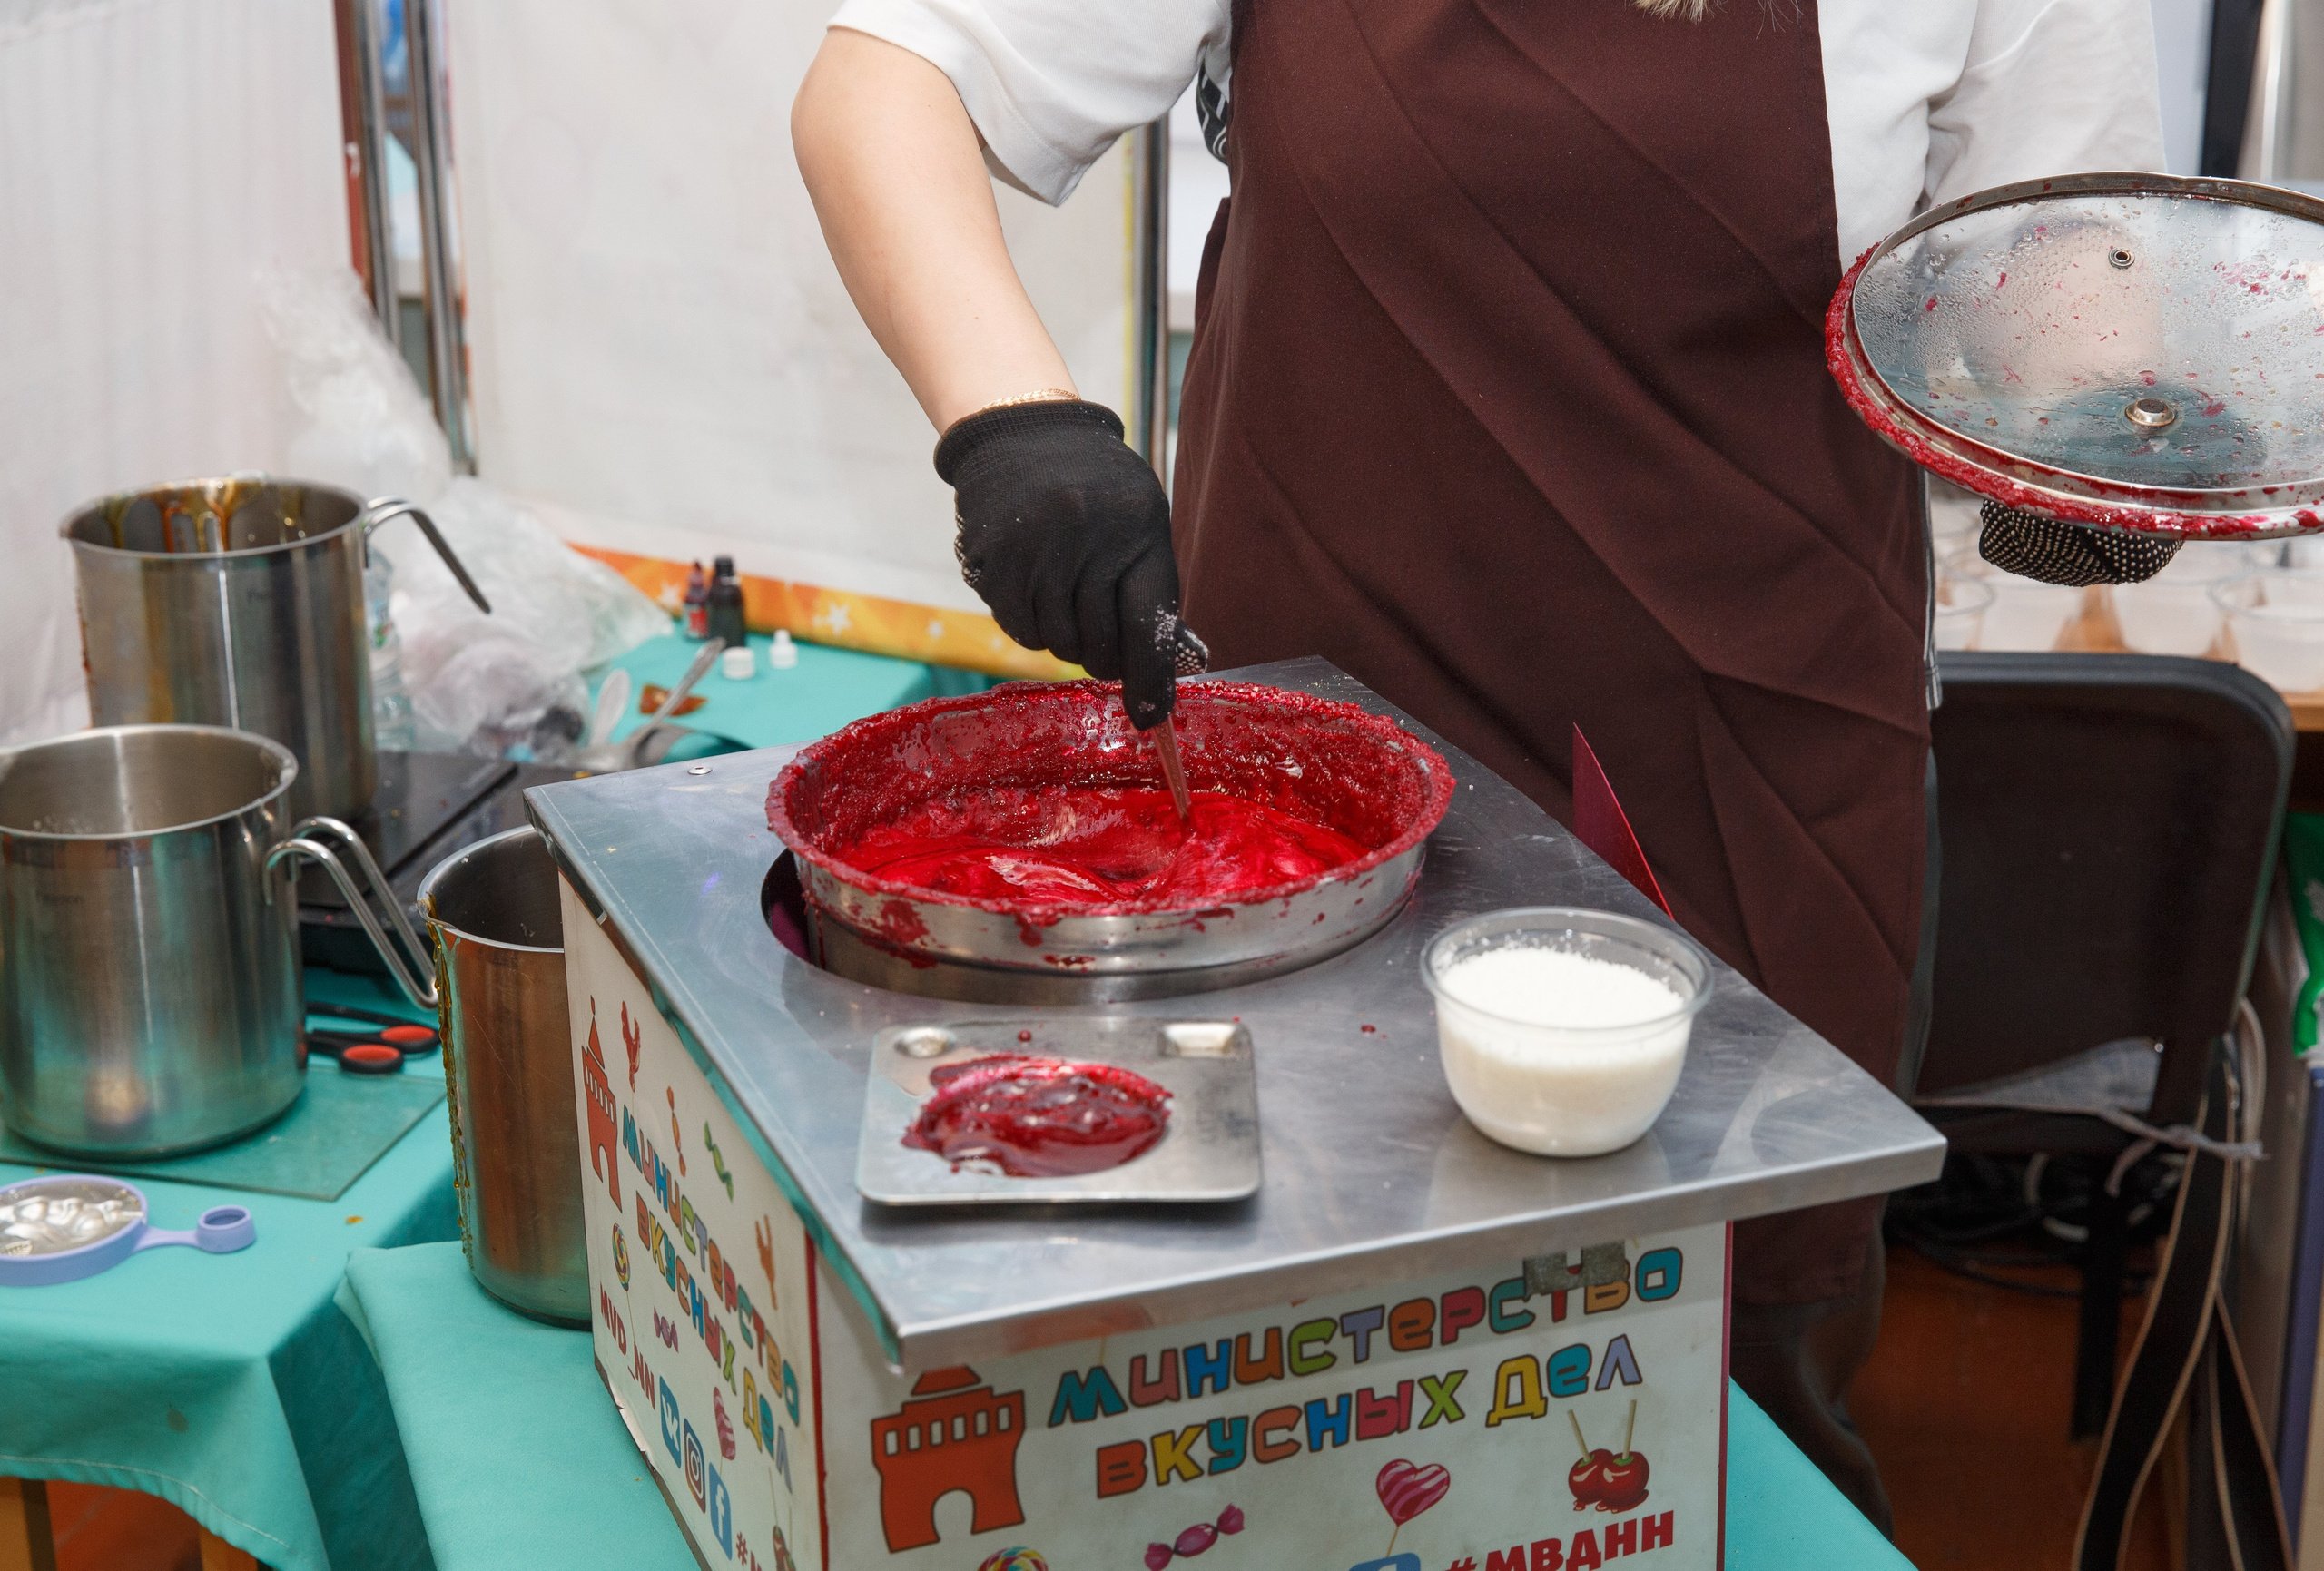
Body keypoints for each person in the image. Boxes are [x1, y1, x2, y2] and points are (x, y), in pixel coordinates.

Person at [793, 0, 2164, 1527]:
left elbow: (2061, 283)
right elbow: (892, 84)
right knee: (1273, 1376)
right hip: (1315, 785)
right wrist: (1014, 429)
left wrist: (2090, 450)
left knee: (1725, 1395)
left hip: (1756, 763)